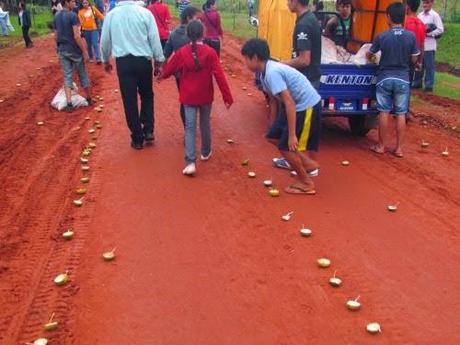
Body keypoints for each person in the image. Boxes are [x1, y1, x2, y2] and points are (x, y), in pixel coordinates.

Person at [241, 38, 321, 195]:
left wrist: (291, 135)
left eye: (246, 59)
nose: (245, 63)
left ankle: (306, 182)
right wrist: (273, 124)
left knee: (286, 147)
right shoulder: (263, 74)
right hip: (293, 106)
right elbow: (273, 100)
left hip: (305, 106)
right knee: (272, 137)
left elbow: (289, 102)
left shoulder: (272, 73)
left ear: (255, 58)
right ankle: (308, 164)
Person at [159, 20, 233, 176]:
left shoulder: (182, 53)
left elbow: (169, 69)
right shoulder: (210, 52)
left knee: (190, 128)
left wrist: (161, 75)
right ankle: (205, 152)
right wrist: (227, 97)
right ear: (203, 34)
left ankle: (191, 162)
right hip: (205, 95)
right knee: (205, 123)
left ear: (187, 34)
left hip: (188, 96)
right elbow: (219, 75)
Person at [101, 0, 164, 150]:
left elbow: (104, 42)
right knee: (147, 94)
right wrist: (159, 61)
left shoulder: (111, 16)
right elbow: (154, 39)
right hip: (143, 62)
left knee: (129, 100)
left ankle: (137, 138)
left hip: (124, 63)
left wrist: (105, 60)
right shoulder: (145, 13)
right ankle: (148, 129)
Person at [273, 0, 322, 173]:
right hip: (309, 79)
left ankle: (306, 167)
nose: (287, 3)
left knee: (302, 126)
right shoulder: (310, 19)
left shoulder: (303, 25)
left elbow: (304, 59)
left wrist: (281, 64)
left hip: (306, 81)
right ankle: (294, 160)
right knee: (299, 124)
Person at [367, 2, 419, 158]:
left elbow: (369, 54)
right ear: (403, 17)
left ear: (388, 17)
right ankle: (398, 149)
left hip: (385, 78)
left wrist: (372, 57)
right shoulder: (411, 36)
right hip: (403, 78)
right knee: (401, 113)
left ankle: (381, 146)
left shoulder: (382, 36)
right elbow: (415, 59)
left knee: (384, 111)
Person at [164, 6, 201, 127]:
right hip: (196, 72)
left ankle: (188, 128)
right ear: (189, 18)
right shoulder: (196, 33)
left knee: (184, 99)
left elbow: (166, 53)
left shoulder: (174, 33)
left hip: (180, 73)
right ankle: (194, 124)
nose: (199, 21)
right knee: (198, 98)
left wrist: (162, 68)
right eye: (196, 18)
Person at [54, 0, 92, 112]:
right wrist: (84, 51)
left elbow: (55, 36)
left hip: (63, 50)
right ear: (66, 2)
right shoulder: (73, 16)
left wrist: (58, 48)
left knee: (67, 76)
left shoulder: (56, 16)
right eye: (72, 1)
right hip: (74, 51)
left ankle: (69, 103)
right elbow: (77, 36)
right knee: (82, 74)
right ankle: (89, 98)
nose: (75, 3)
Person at [414, 0, 443, 92]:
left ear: (431, 3)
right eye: (424, 3)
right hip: (420, 45)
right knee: (418, 64)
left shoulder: (435, 15)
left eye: (427, 3)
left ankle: (428, 86)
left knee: (429, 67)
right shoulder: (419, 15)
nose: (424, 5)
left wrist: (428, 33)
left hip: (429, 46)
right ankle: (417, 83)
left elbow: (440, 30)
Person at [405, 0, 425, 87]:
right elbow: (422, 45)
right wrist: (420, 61)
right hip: (414, 59)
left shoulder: (404, 22)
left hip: (402, 59)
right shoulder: (421, 23)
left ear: (407, 7)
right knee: (407, 85)